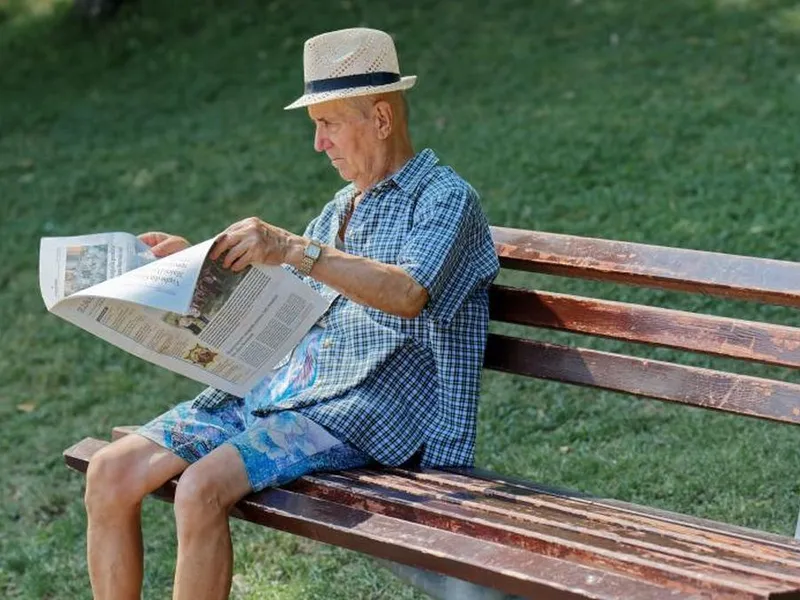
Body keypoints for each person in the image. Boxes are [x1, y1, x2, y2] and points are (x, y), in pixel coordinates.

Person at [83, 27, 499, 600]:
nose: (319, 144)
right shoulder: (340, 209)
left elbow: (408, 293)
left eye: (328, 124)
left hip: (365, 410)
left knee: (200, 488)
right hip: (282, 391)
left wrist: (295, 248)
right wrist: (193, 270)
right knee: (109, 473)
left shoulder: (445, 199)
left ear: (380, 118)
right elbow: (286, 299)